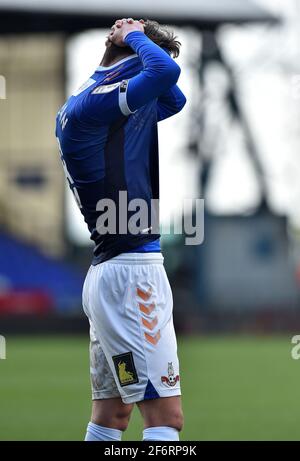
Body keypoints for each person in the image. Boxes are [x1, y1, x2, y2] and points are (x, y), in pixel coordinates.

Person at [56, 17, 186, 442]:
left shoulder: (95, 102)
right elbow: (165, 74)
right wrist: (132, 36)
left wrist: (143, 48)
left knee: (112, 415)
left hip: (116, 278)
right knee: (166, 419)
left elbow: (174, 97)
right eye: (144, 61)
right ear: (126, 61)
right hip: (133, 282)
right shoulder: (95, 105)